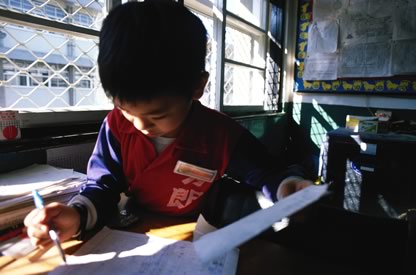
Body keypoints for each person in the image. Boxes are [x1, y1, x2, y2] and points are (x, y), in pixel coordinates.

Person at [24, 0, 313, 248]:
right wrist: (75, 215)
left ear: (198, 87)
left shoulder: (220, 134)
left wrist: (288, 186)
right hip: (139, 230)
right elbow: (102, 186)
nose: (139, 125)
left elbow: (266, 173)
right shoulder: (116, 126)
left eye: (158, 115)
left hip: (202, 229)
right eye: (125, 109)